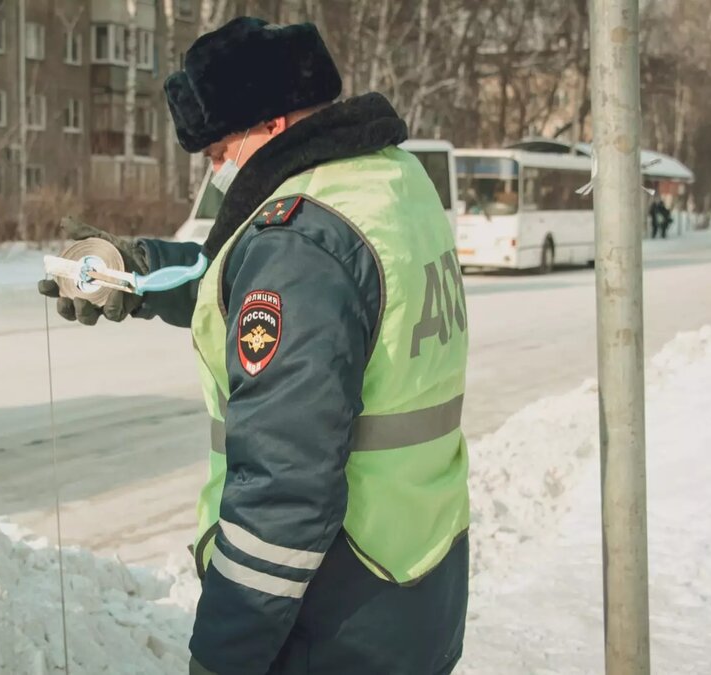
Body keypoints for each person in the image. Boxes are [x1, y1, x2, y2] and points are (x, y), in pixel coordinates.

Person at [38, 17, 470, 675]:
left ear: (271, 126)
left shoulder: (298, 241)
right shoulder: (391, 181)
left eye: (219, 150)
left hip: (333, 617)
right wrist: (139, 270)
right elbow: (277, 271)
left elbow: (281, 490)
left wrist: (221, 655)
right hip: (412, 577)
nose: (217, 170)